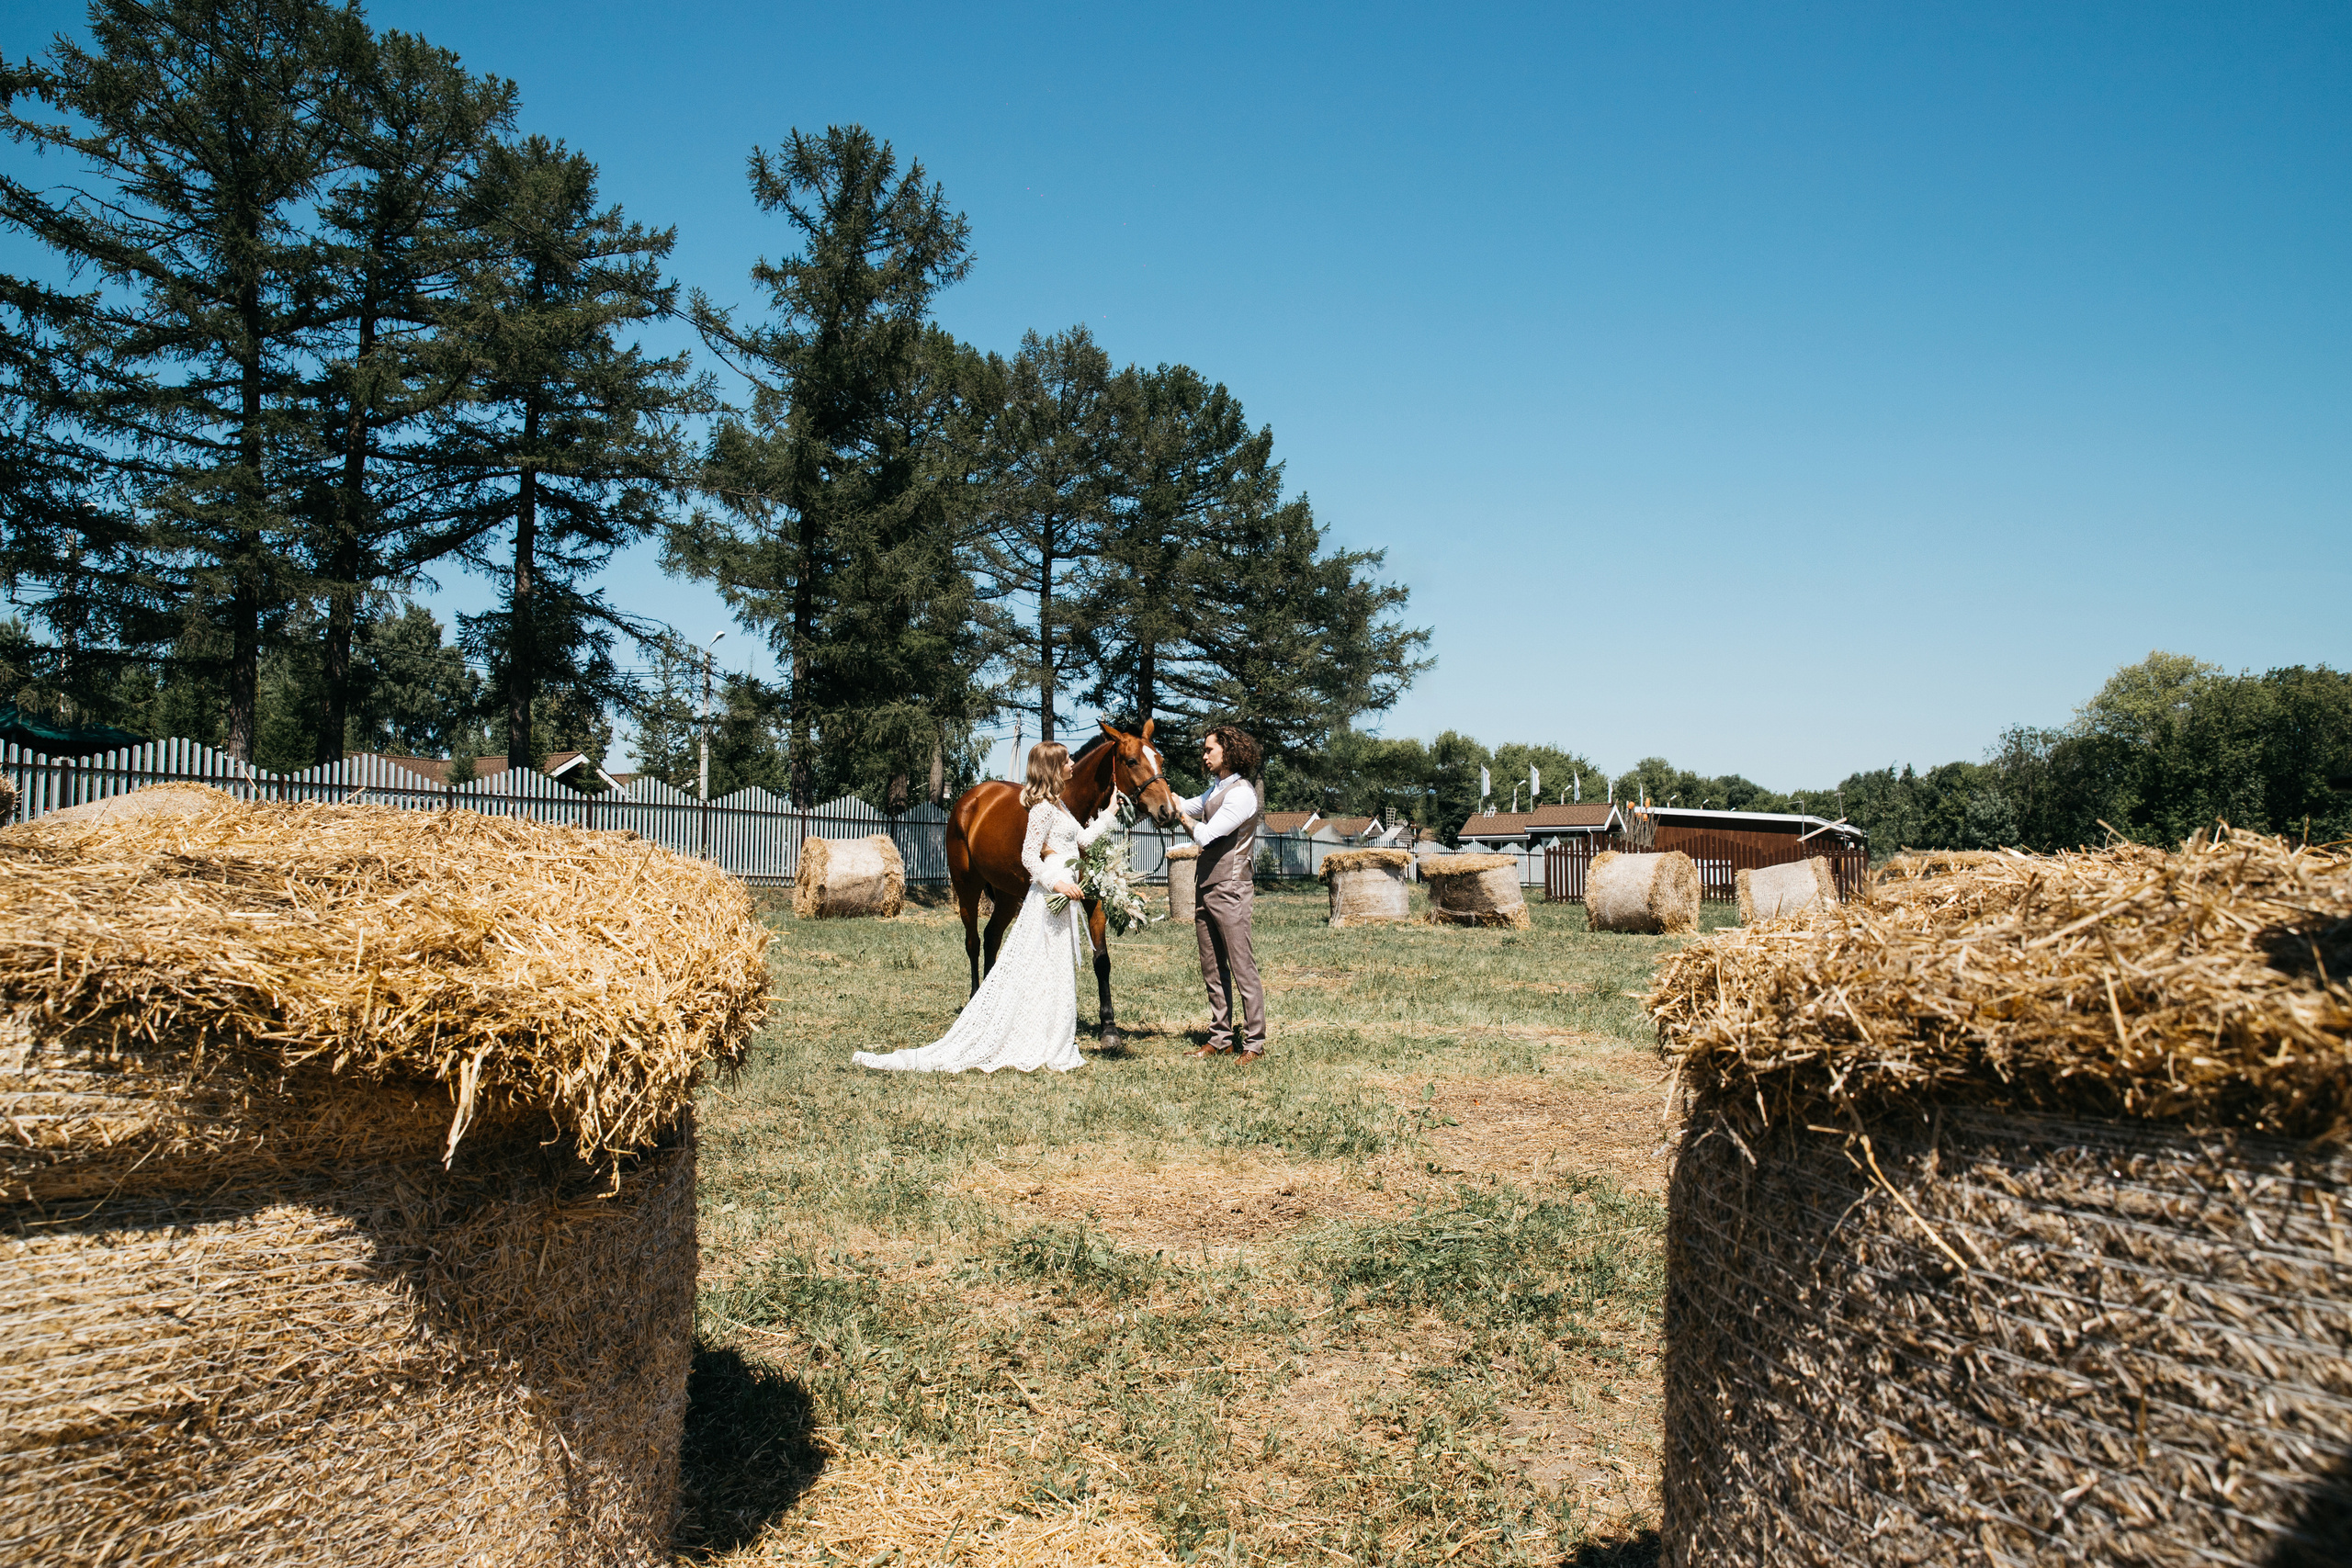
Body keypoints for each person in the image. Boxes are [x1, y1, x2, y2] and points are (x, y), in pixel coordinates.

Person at [853, 742, 1119, 1074]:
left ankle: (1051, 1037)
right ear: (1053, 768)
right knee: (1039, 964)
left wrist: (1110, 812)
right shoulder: (1041, 809)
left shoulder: (1060, 806)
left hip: (1063, 900)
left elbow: (1084, 840)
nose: (1073, 764)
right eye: (1067, 760)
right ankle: (1024, 1034)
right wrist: (1058, 884)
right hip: (1049, 896)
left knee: (1056, 968)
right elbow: (1028, 857)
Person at [1174, 725, 1265, 1063]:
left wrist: (1181, 817)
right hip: (1207, 885)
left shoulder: (1242, 793)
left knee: (1242, 966)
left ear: (1228, 751)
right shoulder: (1216, 790)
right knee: (1211, 966)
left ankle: (1254, 1043)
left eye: (1209, 749)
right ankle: (1221, 1037)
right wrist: (1161, 792)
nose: (1204, 756)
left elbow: (1207, 835)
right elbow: (1187, 805)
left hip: (1231, 887)